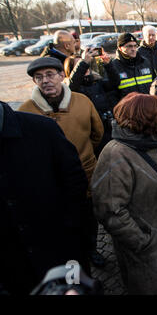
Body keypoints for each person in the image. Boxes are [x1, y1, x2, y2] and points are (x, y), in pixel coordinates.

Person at [91, 92, 157, 294]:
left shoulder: (154, 143)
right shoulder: (115, 155)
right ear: (143, 120)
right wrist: (142, 242)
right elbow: (110, 211)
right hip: (147, 250)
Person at [18, 57, 105, 268]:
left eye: (50, 75)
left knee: (88, 215)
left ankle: (92, 248)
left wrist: (83, 155)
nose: (45, 80)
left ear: (61, 76)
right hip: (49, 182)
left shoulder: (82, 101)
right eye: (39, 77)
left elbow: (97, 133)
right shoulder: (24, 111)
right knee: (62, 222)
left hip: (85, 174)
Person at [0, 101, 89, 295]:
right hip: (14, 272)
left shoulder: (42, 129)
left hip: (62, 254)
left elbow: (75, 182)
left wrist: (72, 231)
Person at [63, 47, 121, 157]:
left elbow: (115, 83)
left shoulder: (97, 82)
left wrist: (108, 64)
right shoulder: (72, 89)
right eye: (80, 65)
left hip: (109, 130)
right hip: (92, 135)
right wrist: (83, 62)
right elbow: (72, 86)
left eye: (86, 64)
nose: (85, 68)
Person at [111, 33, 155, 99]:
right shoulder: (113, 66)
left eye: (135, 46)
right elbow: (111, 93)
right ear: (120, 48)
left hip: (147, 105)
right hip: (128, 107)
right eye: (129, 46)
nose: (133, 49)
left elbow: (154, 83)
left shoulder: (145, 62)